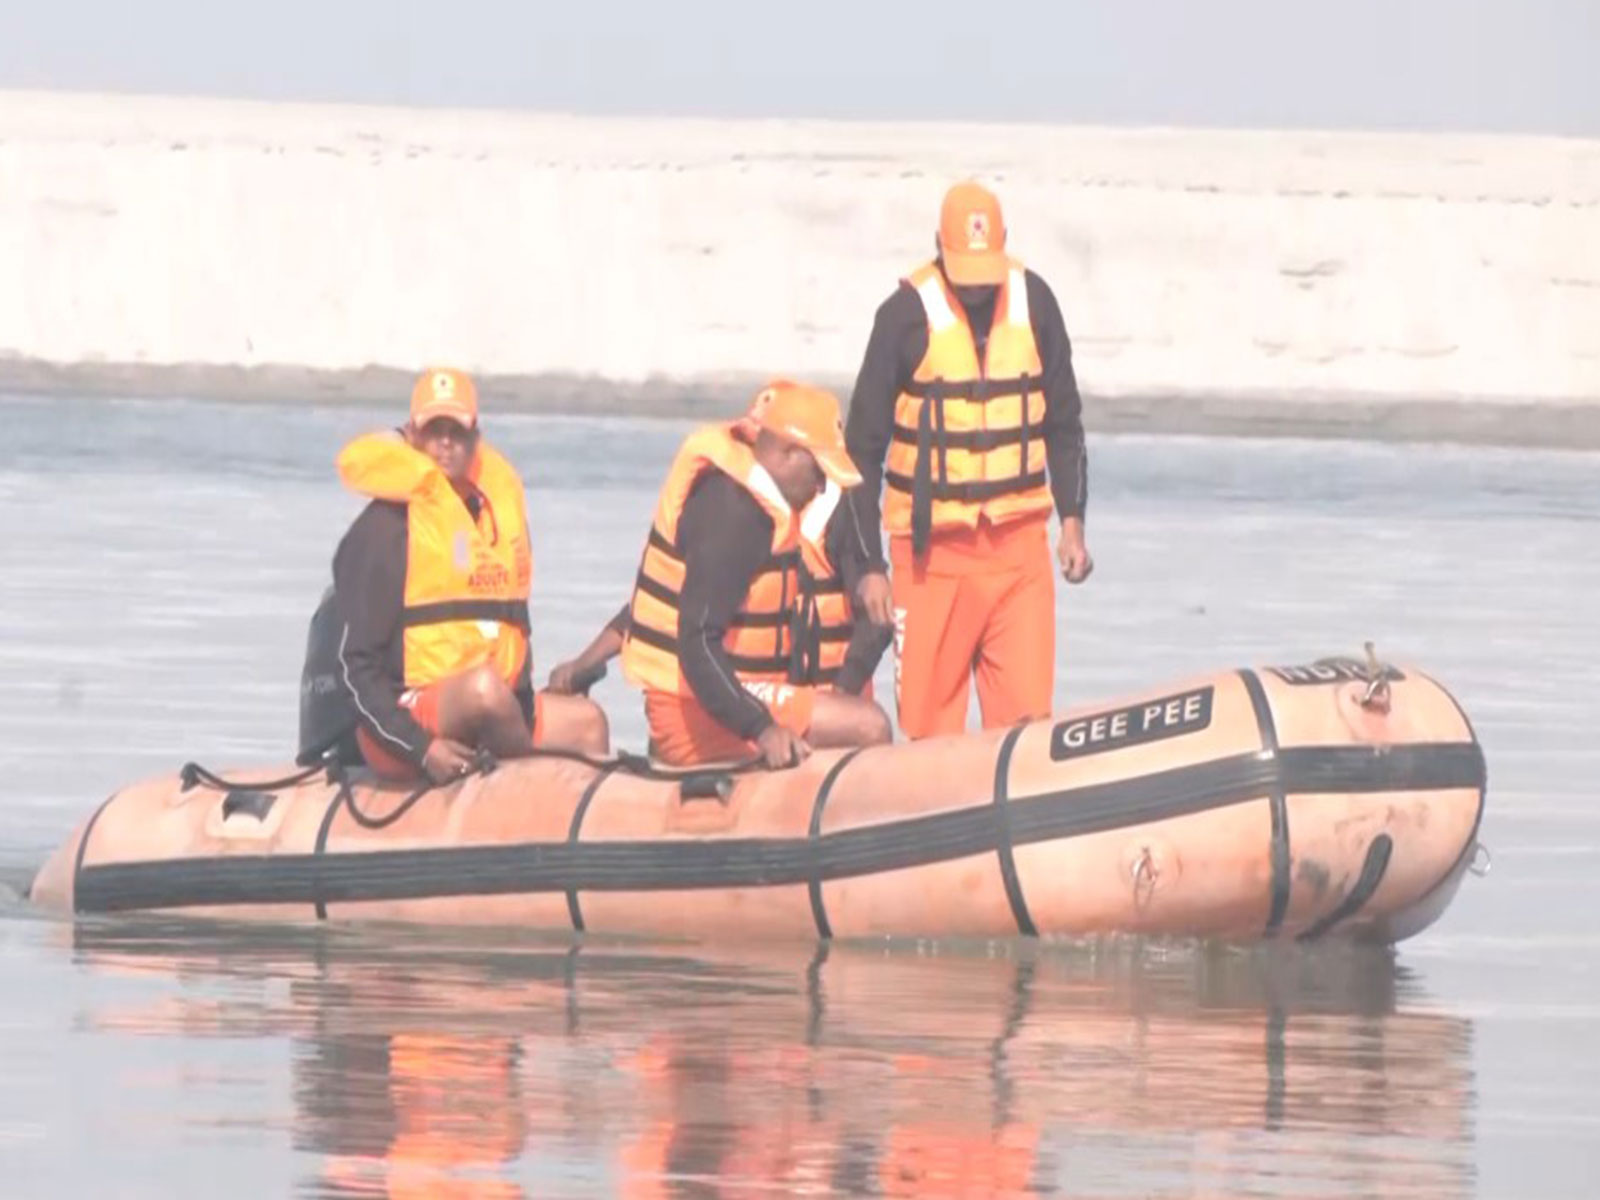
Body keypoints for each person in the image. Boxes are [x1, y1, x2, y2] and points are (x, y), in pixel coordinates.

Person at [838, 180, 1093, 740]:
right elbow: (860, 452)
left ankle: (1019, 823)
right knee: (929, 739)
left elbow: (1064, 423)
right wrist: (868, 567)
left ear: (1004, 244)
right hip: (930, 561)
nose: (976, 290)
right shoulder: (902, 316)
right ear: (937, 245)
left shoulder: (1037, 303)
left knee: (1026, 733)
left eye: (985, 274)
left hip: (1018, 555)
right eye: (964, 274)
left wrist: (1072, 522)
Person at [310, 366, 609, 785]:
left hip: (497, 714)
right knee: (482, 691)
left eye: (457, 432)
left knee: (588, 723)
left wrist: (524, 700)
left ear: (475, 440)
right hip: (405, 721)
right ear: (413, 436)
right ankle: (525, 785)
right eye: (434, 431)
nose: (445, 444)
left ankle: (568, 834)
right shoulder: (383, 531)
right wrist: (421, 747)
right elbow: (354, 670)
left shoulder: (491, 521)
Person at [546, 392, 892, 705]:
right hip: (753, 698)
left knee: (867, 725)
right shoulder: (740, 513)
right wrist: (584, 663)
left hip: (826, 697)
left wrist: (843, 694)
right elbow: (664, 605)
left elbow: (878, 621)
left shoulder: (839, 512)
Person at [617, 380, 894, 769]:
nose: (821, 486)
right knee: (868, 725)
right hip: (690, 711)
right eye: (818, 471)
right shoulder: (734, 514)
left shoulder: (769, 508)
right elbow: (695, 640)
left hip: (731, 697)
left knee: (850, 713)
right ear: (786, 453)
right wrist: (761, 727)